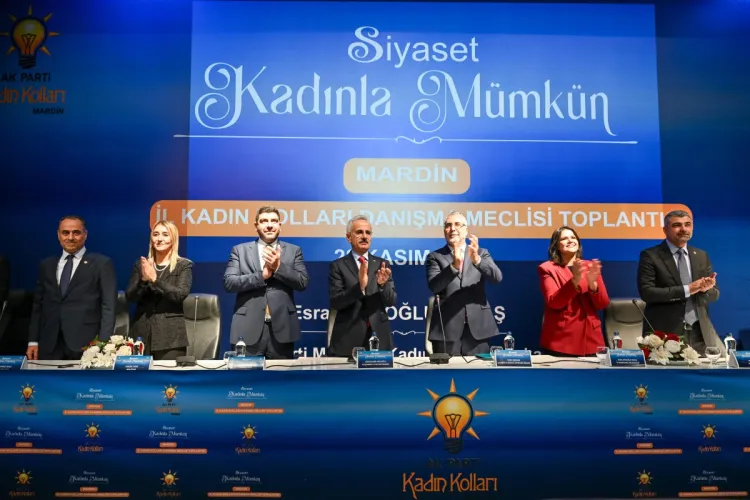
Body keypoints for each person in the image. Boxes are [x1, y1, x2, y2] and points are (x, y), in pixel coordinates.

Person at [223, 206, 309, 359]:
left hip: (282, 329)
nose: (269, 225)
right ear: (256, 226)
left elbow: (302, 282)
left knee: (280, 374)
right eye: (264, 221)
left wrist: (278, 268)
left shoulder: (294, 250)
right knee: (245, 374)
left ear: (279, 226)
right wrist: (261, 276)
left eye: (274, 221)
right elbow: (229, 283)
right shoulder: (240, 250)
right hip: (247, 328)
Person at [27, 216, 117, 360]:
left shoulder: (101, 264)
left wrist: (103, 344)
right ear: (58, 235)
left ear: (85, 234)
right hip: (49, 344)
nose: (70, 237)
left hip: (86, 345)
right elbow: (38, 306)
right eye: (65, 233)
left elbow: (109, 307)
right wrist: (33, 341)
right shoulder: (47, 265)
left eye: (76, 232)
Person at [637, 210, 720, 355]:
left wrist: (706, 289)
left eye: (687, 224)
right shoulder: (651, 256)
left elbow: (714, 295)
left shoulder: (701, 255)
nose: (683, 229)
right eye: (677, 225)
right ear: (665, 230)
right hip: (665, 333)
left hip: (699, 333)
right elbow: (647, 293)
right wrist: (688, 289)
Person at [426, 211, 502, 356]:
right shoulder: (435, 257)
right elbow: (434, 286)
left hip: (478, 330)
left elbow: (496, 278)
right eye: (448, 225)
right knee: (448, 371)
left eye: (457, 224)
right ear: (444, 231)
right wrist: (454, 266)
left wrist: (477, 261)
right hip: (447, 330)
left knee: (478, 371)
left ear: (466, 230)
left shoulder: (481, 253)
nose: (452, 229)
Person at [328, 215, 396, 357]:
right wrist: (360, 287)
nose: (364, 236)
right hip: (348, 338)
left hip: (379, 337)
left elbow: (391, 301)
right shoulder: (338, 266)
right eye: (359, 232)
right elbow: (336, 302)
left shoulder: (382, 264)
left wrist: (382, 285)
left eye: (368, 233)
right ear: (348, 237)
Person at [125, 221, 193, 360]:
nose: (160, 239)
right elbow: (130, 296)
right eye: (156, 234)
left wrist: (155, 280)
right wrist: (144, 281)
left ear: (173, 239)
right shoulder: (141, 265)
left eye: (165, 235)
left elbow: (179, 295)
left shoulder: (183, 266)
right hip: (141, 334)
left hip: (171, 337)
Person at [538, 226, 610, 356]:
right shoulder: (547, 268)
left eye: (573, 237)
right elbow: (554, 302)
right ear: (556, 246)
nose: (570, 240)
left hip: (591, 339)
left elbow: (602, 304)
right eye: (564, 238)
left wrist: (593, 285)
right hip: (562, 341)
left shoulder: (590, 266)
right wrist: (574, 281)